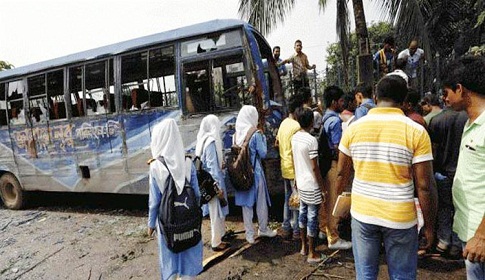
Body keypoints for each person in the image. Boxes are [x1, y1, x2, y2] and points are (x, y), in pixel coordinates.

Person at [336, 75, 437, 279]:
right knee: (402, 276)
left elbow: (341, 173)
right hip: (400, 216)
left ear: (375, 96)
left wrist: (339, 210)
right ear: (404, 100)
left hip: (363, 213)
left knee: (365, 274)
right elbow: (424, 185)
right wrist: (429, 226)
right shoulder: (416, 131)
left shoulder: (353, 128)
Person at [441, 55, 485, 279]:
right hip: (472, 232)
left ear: (460, 89)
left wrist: (482, 236)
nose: (444, 98)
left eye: (446, 92)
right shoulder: (470, 123)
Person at [147, 118, 203, 280]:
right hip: (188, 217)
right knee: (189, 249)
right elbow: (197, 194)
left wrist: (151, 224)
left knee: (169, 254)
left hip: (166, 221)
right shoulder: (188, 162)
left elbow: (154, 202)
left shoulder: (155, 166)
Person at [427, 100, 467, 259]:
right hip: (462, 172)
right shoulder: (468, 118)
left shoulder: (437, 120)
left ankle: (444, 241)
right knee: (461, 208)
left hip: (442, 171)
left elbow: (433, 149)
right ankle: (457, 244)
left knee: (443, 207)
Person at [234, 105, 277, 243]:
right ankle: (263, 229)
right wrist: (263, 137)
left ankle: (249, 235)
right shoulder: (255, 133)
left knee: (246, 205)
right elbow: (263, 153)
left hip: (241, 172)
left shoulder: (236, 134)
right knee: (261, 202)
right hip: (255, 172)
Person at [318, 85, 352, 250]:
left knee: (326, 201)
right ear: (333, 102)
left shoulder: (325, 118)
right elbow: (338, 148)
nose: (343, 103)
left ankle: (324, 230)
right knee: (333, 202)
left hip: (324, 166)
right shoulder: (335, 121)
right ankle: (334, 238)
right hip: (332, 165)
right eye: (340, 101)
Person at [291, 107, 325, 263]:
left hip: (300, 182)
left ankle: (303, 247)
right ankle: (312, 253)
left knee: (302, 214)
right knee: (312, 217)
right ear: (311, 121)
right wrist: (322, 187)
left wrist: (296, 179)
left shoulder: (295, 137)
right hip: (311, 184)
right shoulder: (312, 141)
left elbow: (294, 160)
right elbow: (314, 167)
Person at [195, 114, 230, 251]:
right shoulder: (210, 142)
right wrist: (217, 187)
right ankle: (216, 242)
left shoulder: (202, 139)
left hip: (207, 180)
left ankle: (221, 234)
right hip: (211, 182)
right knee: (215, 211)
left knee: (217, 210)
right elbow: (211, 166)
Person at [275, 94, 303, 240]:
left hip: (284, 166)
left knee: (288, 199)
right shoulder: (297, 127)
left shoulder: (283, 124)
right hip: (294, 169)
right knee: (296, 200)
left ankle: (286, 227)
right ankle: (297, 231)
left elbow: (277, 143)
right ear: (297, 109)